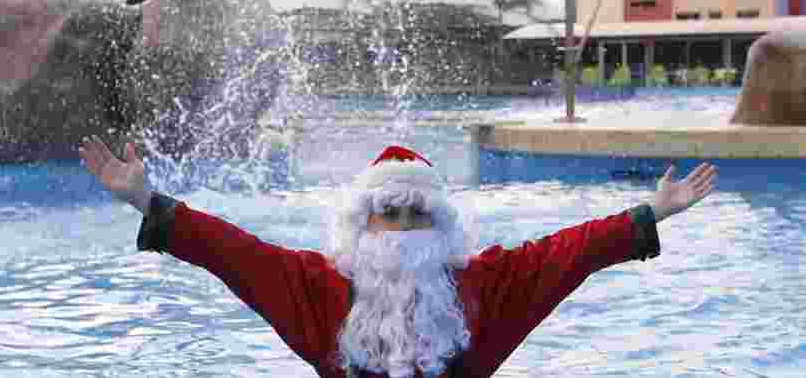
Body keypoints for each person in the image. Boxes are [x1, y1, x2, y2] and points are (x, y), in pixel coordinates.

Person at [79, 139, 717, 378]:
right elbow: (233, 253)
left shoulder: (485, 292)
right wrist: (144, 200)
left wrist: (650, 214)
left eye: (418, 215)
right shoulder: (317, 291)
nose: (405, 230)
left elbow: (569, 252)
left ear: (440, 226)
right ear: (365, 223)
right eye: (391, 215)